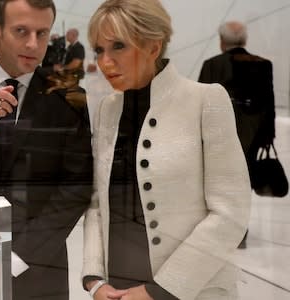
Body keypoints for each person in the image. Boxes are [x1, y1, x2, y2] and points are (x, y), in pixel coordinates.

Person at [82, 1, 251, 299]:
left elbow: (230, 214)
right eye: (98, 50)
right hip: (117, 289)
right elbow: (98, 202)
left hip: (189, 291)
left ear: (153, 46)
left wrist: (160, 291)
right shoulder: (108, 109)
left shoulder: (205, 101)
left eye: (118, 46)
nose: (104, 62)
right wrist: (95, 279)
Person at [0, 0, 93, 299]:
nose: (33, 44)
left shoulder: (69, 96)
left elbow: (75, 188)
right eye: (21, 31)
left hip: (38, 267)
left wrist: (16, 258)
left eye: (42, 33)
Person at [198, 21, 275, 246]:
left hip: (218, 137)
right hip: (252, 137)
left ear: (222, 42)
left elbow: (200, 103)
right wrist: (267, 136)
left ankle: (219, 231)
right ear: (244, 40)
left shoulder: (212, 64)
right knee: (243, 184)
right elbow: (268, 103)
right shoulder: (263, 65)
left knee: (218, 185)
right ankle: (239, 232)